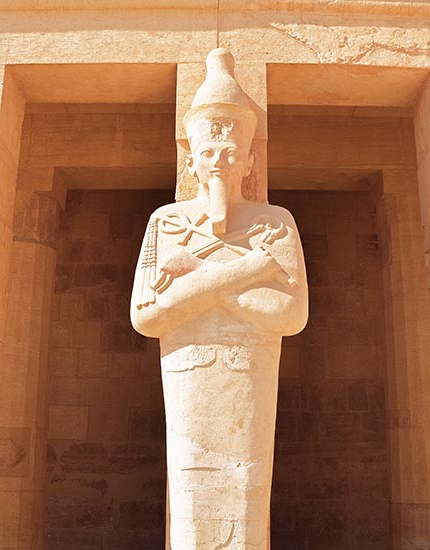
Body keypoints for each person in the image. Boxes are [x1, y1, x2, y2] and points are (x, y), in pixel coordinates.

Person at [131, 48, 308, 548]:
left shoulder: (274, 224)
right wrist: (243, 274)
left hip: (250, 370)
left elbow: (289, 314)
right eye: (208, 152)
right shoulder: (166, 223)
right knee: (191, 491)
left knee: (246, 489)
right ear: (191, 160)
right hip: (187, 371)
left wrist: (199, 275)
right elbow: (148, 314)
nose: (220, 161)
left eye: (230, 152)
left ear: (249, 160)